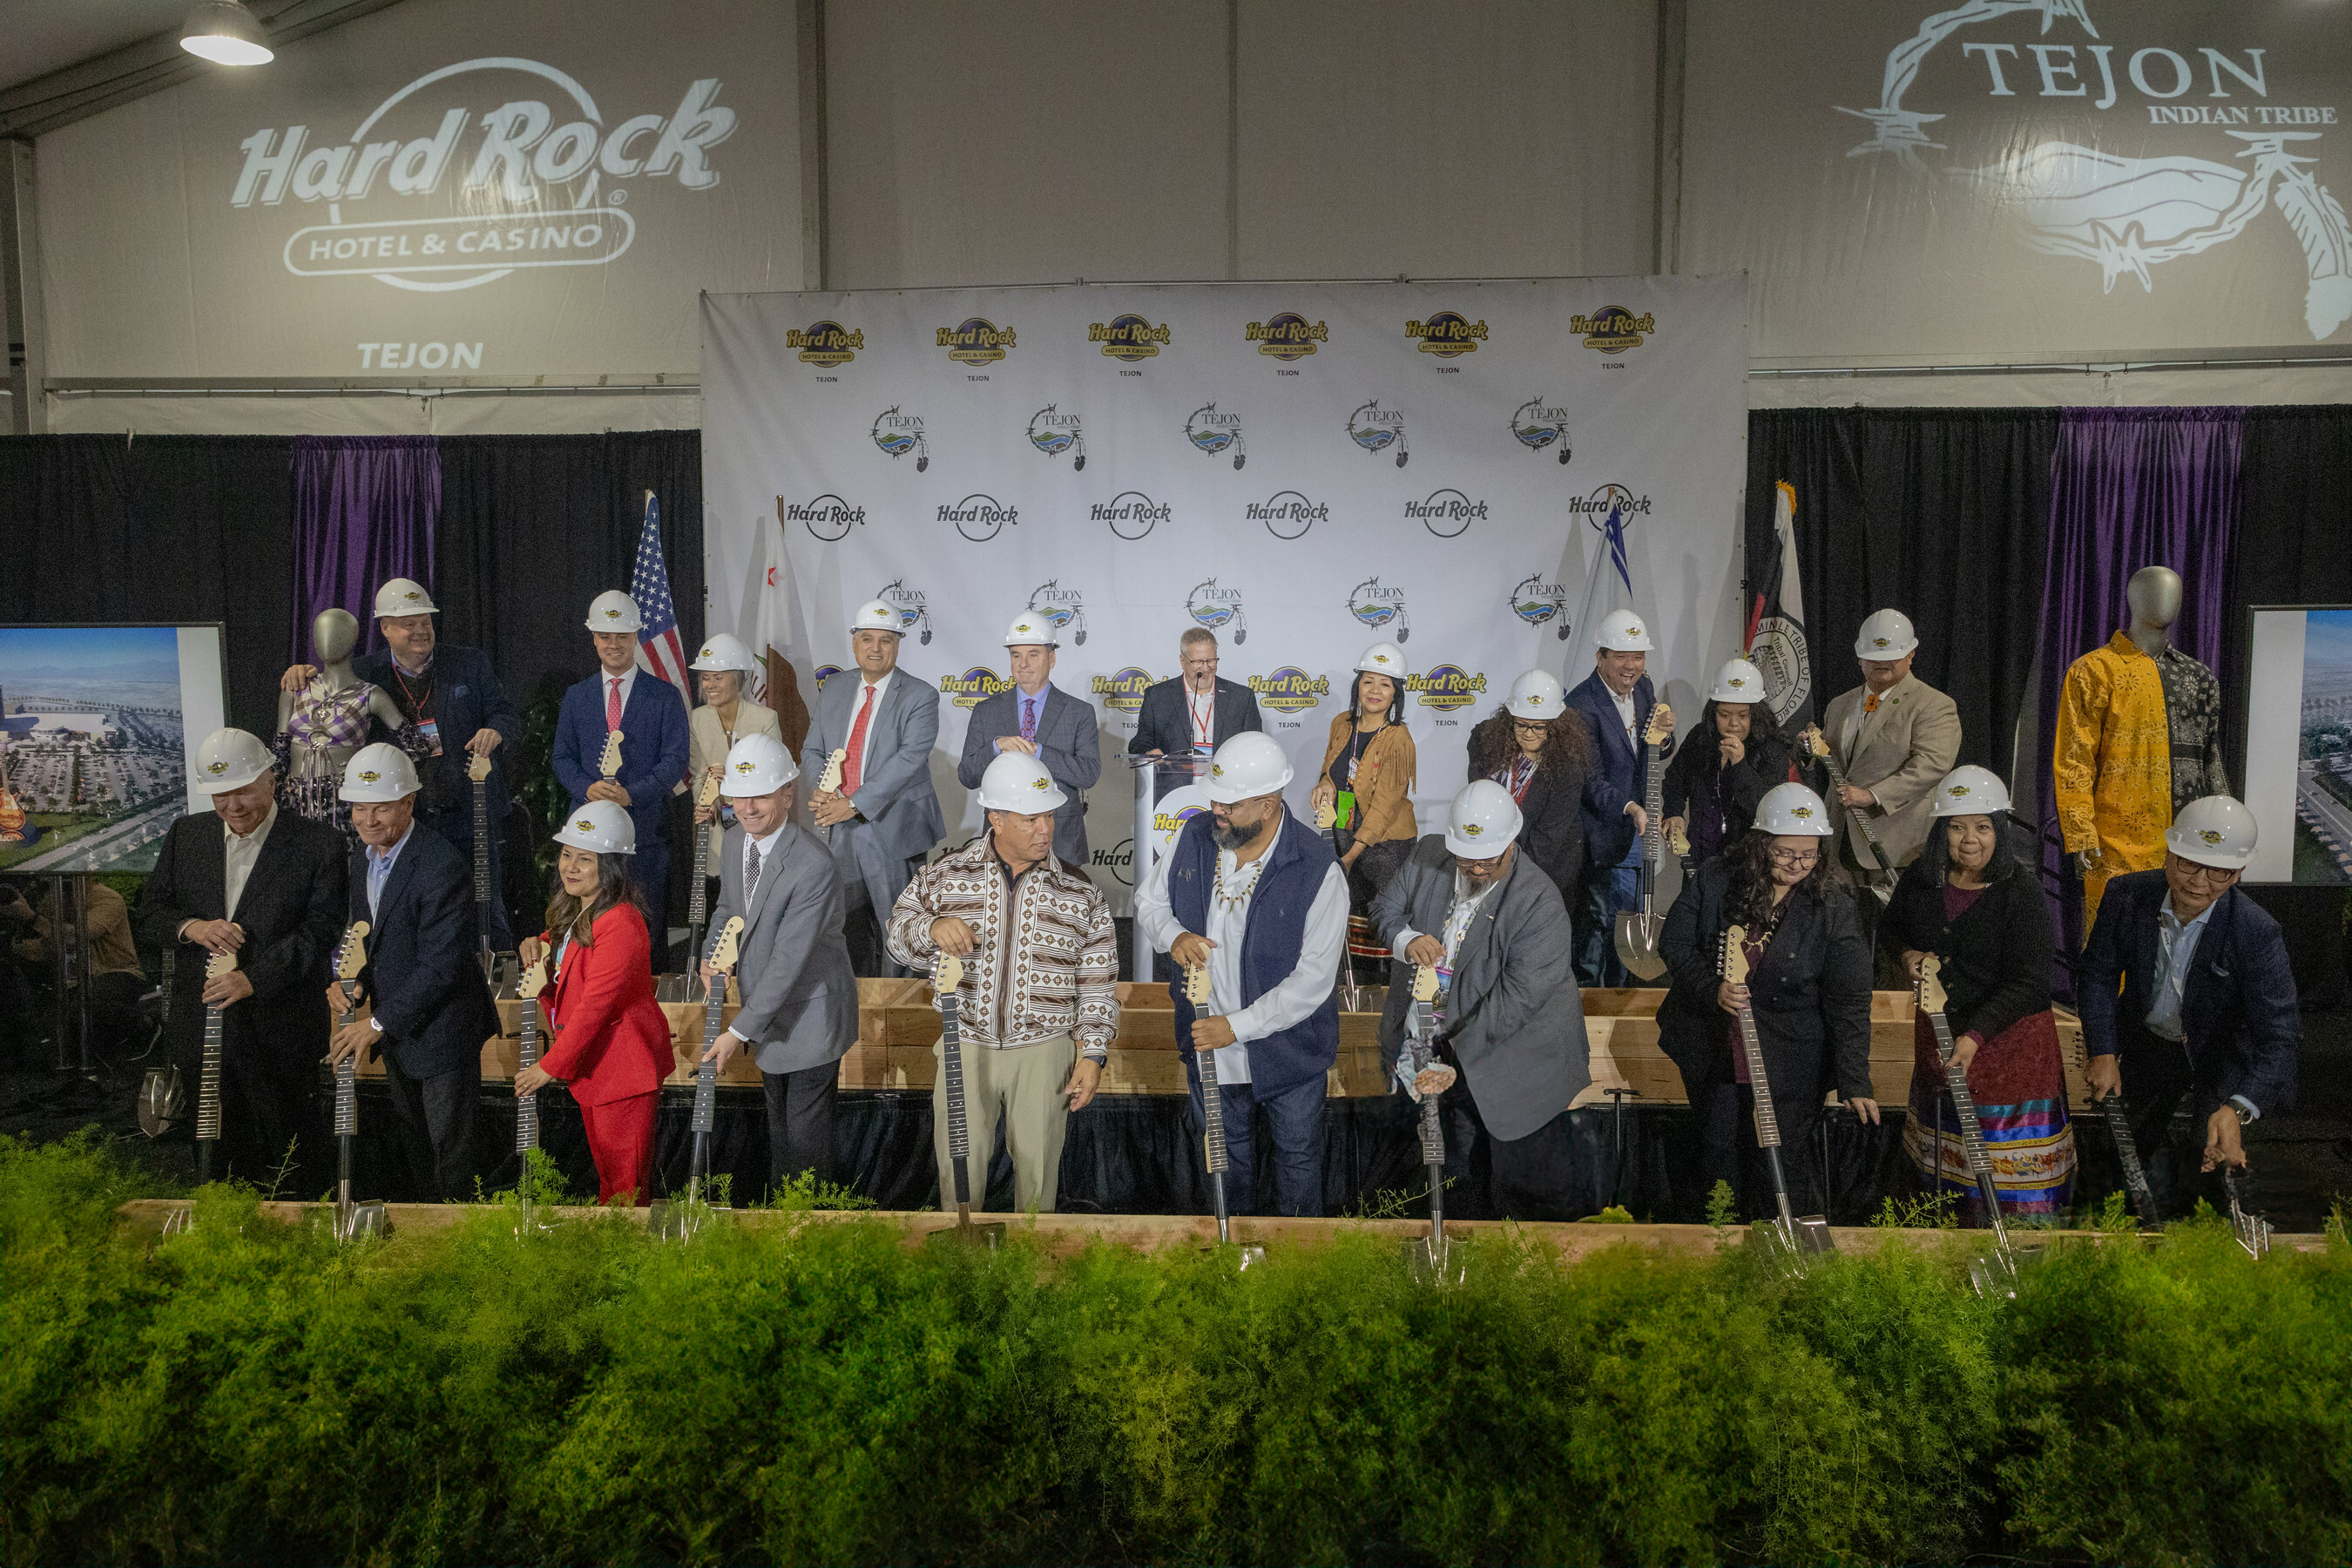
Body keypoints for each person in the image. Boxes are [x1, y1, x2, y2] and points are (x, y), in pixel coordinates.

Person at [886, 752, 1119, 1214]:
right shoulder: (945, 874)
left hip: (1045, 1051)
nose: (1045, 829)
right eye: (1031, 819)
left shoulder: (1080, 891)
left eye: (1049, 816)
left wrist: (1093, 1053)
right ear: (996, 818)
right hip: (963, 1043)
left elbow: (1097, 984)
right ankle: (964, 1253)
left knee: (1038, 1181)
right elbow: (896, 939)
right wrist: (931, 928)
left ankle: (1030, 1260)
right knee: (959, 1176)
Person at [1138, 732, 1347, 1218]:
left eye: (1230, 804)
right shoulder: (1194, 835)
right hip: (1208, 1047)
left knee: (1297, 1164)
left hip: (1290, 1054)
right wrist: (1173, 935)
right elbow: (1149, 901)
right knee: (1223, 1168)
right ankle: (1231, 1257)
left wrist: (1234, 1027)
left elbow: (1314, 981)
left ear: (1269, 805)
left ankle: (1297, 1257)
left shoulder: (1318, 869)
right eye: (1215, 799)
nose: (1217, 810)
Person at [1658, 781, 1878, 1223]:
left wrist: (1855, 1079)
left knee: (1782, 1164)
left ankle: (1782, 1247)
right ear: (1761, 845)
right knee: (1720, 1156)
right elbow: (1675, 943)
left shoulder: (1833, 904)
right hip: (1715, 1051)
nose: (1797, 864)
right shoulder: (1718, 877)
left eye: (1808, 854)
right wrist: (1711, 988)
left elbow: (1850, 999)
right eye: (1785, 853)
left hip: (1792, 1057)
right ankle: (1722, 1246)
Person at [1374, 780, 1590, 1221]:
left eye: (1488, 861)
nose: (1475, 869)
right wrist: (1407, 939)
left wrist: (1449, 1058)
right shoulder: (1428, 854)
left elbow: (1516, 1001)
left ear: (1511, 844)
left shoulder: (1539, 902)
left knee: (1508, 1195)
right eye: (1465, 859)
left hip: (1518, 1062)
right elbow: (1383, 910)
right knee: (1442, 1179)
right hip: (1437, 1048)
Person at [142, 727, 344, 1186]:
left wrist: (254, 978)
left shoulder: (318, 844)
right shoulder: (186, 835)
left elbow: (321, 930)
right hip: (202, 1026)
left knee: (291, 1154)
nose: (232, 806)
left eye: (242, 791)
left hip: (281, 1026)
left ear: (271, 780)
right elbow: (152, 913)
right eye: (220, 795)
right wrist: (192, 927)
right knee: (217, 1158)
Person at [2078, 795, 2298, 1217]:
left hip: (2220, 1051)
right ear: (2168, 854)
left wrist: (2239, 1106)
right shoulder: (2126, 895)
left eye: (2219, 871)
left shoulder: (2256, 932)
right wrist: (2102, 1051)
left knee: (2210, 1157)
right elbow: (2098, 974)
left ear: (2239, 873)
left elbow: (2280, 1036)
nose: (2199, 882)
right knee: (2124, 1147)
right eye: (2188, 864)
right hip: (2148, 1039)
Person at [279, 578, 521, 949]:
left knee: (485, 906)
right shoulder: (365, 674)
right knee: (408, 908)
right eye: (409, 624)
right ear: (385, 629)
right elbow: (324, 693)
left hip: (468, 809)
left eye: (425, 621)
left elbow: (506, 715)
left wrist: (495, 730)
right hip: (404, 817)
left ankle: (492, 974)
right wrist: (301, 673)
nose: (421, 630)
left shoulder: (469, 663)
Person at [1882, 767, 2074, 1222]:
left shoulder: (2021, 891)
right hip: (1940, 1034)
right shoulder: (1922, 879)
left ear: (1999, 831)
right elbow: (1891, 929)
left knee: (2005, 1172)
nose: (1970, 839)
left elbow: (2030, 981)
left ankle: (2016, 1246)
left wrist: (1974, 1037)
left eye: (1983, 827)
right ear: (1941, 831)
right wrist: (1907, 955)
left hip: (2009, 1046)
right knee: (1943, 1160)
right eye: (1957, 826)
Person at [324, 743, 500, 1202]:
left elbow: (441, 966)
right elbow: (371, 939)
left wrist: (376, 1024)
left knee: (451, 1156)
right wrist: (352, 982)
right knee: (418, 1149)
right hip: (398, 1031)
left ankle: (462, 1237)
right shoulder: (360, 860)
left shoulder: (441, 865)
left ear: (409, 802)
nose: (368, 820)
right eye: (359, 808)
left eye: (381, 807)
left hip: (443, 1033)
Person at [700, 733, 858, 1194]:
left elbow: (789, 960)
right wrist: (712, 956)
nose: (748, 808)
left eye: (761, 796)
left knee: (806, 1147)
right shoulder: (735, 842)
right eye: (739, 797)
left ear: (788, 795)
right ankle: (780, 1225)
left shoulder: (813, 864)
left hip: (811, 1018)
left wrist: (737, 1033)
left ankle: (810, 1228)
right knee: (781, 1139)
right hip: (767, 1017)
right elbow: (728, 908)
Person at [515, 800, 672, 1206]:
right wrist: (535, 944)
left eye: (585, 859)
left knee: (625, 1191)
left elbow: (594, 1008)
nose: (570, 867)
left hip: (622, 1070)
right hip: (597, 1069)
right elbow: (560, 946)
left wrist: (548, 1067)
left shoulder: (621, 924)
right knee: (610, 1182)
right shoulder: (578, 909)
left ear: (612, 866)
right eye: (567, 855)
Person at [803, 598, 946, 977]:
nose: (876, 648)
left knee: (898, 932)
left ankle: (898, 1008)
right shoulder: (834, 687)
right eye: (867, 639)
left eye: (886, 640)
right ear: (854, 642)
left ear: (898, 645)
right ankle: (851, 1004)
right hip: (838, 828)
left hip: (891, 826)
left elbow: (908, 760)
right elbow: (812, 749)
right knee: (843, 929)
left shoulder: (920, 695)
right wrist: (823, 789)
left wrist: (852, 804)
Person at [554, 590, 692, 966]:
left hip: (645, 834)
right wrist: (586, 788)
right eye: (605, 636)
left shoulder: (665, 696)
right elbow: (562, 758)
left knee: (647, 929)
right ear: (594, 639)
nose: (613, 645)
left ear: (636, 638)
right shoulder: (576, 697)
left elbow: (676, 759)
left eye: (622, 636)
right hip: (586, 838)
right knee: (586, 930)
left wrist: (633, 794)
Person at [1804, 609, 1961, 904]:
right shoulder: (1840, 705)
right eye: (1873, 656)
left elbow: (1932, 764)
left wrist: (1873, 795)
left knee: (1891, 929)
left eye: (1892, 655)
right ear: (1859, 657)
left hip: (1895, 847)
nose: (1882, 662)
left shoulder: (1933, 705)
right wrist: (1810, 748)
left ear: (1911, 655)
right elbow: (1834, 759)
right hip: (1837, 843)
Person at [1565, 611, 1674, 985]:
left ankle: (1625, 998)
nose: (1631, 666)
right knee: (1601, 926)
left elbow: (1653, 750)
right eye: (1622, 657)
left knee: (1632, 924)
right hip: (1603, 836)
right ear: (1600, 657)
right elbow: (1590, 781)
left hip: (1639, 833)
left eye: (1638, 656)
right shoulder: (1580, 705)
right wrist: (1630, 807)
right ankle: (1592, 1001)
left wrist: (1666, 735)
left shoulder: (1644, 688)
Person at [956, 611, 1102, 868]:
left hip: (1061, 840)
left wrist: (1038, 752)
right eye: (1016, 655)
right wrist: (995, 748)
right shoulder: (986, 711)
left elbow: (1088, 773)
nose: (1023, 663)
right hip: (1002, 842)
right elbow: (967, 776)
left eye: (1033, 654)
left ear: (1052, 658)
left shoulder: (1078, 712)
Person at [1308, 642, 1418, 981]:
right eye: (1368, 681)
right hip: (1343, 832)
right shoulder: (1342, 723)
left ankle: (1381, 991)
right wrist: (1325, 783)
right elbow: (1331, 767)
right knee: (1345, 914)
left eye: (1385, 684)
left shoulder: (1398, 739)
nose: (1375, 690)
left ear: (1396, 694)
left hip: (1384, 845)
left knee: (1377, 917)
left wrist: (1351, 856)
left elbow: (1384, 808)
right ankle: (1348, 987)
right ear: (1358, 685)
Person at [1466, 668, 1605, 898]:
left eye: (1539, 727)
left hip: (1544, 872)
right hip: (1489, 862)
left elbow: (1546, 843)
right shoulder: (1486, 743)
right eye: (1521, 724)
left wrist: (1504, 880)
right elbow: (1477, 799)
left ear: (1556, 726)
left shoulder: (1568, 771)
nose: (1529, 734)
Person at [274, 607, 405, 844]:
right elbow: (281, 748)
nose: (327, 640)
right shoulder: (296, 688)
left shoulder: (370, 695)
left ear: (353, 637)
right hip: (296, 799)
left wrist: (372, 777)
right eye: (320, 633)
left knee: (343, 858)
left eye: (336, 633)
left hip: (343, 801)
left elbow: (414, 745)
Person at [1662, 658, 1800, 870]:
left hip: (1749, 859)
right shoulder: (1700, 737)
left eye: (1743, 716)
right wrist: (1674, 812)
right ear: (1713, 712)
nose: (1733, 723)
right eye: (1724, 715)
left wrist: (1739, 764)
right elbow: (1675, 779)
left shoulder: (1772, 747)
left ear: (1755, 714)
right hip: (1702, 853)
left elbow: (1767, 808)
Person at [686, 632, 784, 892]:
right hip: (717, 830)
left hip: (758, 823)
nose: (710, 685)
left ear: (739, 679)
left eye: (718, 677)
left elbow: (775, 779)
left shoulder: (765, 719)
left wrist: (732, 778)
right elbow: (698, 775)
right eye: (706, 677)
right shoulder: (697, 719)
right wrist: (704, 804)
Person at [1127, 627, 1263, 795]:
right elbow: (1140, 742)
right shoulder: (1158, 696)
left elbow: (1255, 746)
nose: (1205, 668)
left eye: (1211, 661)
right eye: (1198, 662)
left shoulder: (1241, 697)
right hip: (1173, 794)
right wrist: (1149, 753)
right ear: (1183, 661)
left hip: (1227, 793)